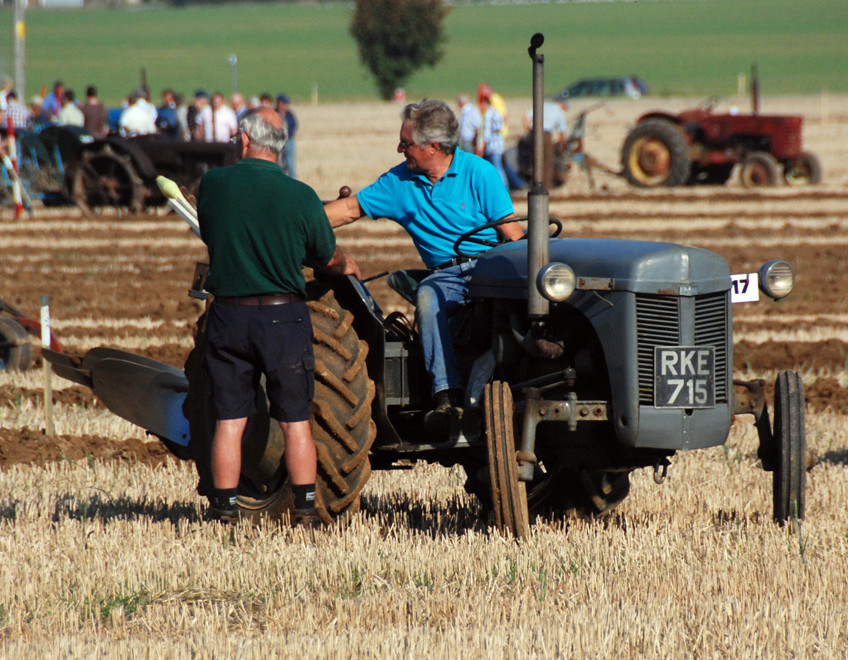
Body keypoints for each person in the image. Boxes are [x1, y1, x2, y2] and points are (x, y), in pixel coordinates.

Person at [196, 107, 360, 525]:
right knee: (295, 420)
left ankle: (225, 509)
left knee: (230, 421)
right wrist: (347, 265)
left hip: (228, 317)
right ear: (279, 146)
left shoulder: (213, 185)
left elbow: (213, 229)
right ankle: (305, 508)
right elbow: (326, 257)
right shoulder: (301, 196)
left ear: (245, 140)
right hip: (282, 317)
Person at [324, 99, 523, 424]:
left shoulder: (479, 173)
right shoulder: (400, 182)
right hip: (446, 276)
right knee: (429, 295)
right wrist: (296, 222)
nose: (399, 148)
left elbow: (513, 233)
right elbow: (348, 209)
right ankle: (447, 396)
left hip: (489, 266)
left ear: (433, 146)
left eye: (406, 143)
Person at [480, 94, 508, 189]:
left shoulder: (488, 114)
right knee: (498, 166)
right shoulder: (496, 112)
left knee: (496, 167)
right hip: (499, 142)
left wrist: (482, 146)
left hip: (492, 145)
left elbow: (487, 133)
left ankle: (502, 187)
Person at [275, 94, 298, 178]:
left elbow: (294, 125)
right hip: (277, 142)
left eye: (286, 103)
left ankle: (293, 181)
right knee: (279, 163)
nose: (285, 105)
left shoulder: (289, 114)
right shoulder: (274, 113)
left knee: (290, 164)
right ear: (278, 104)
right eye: (283, 103)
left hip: (289, 141)